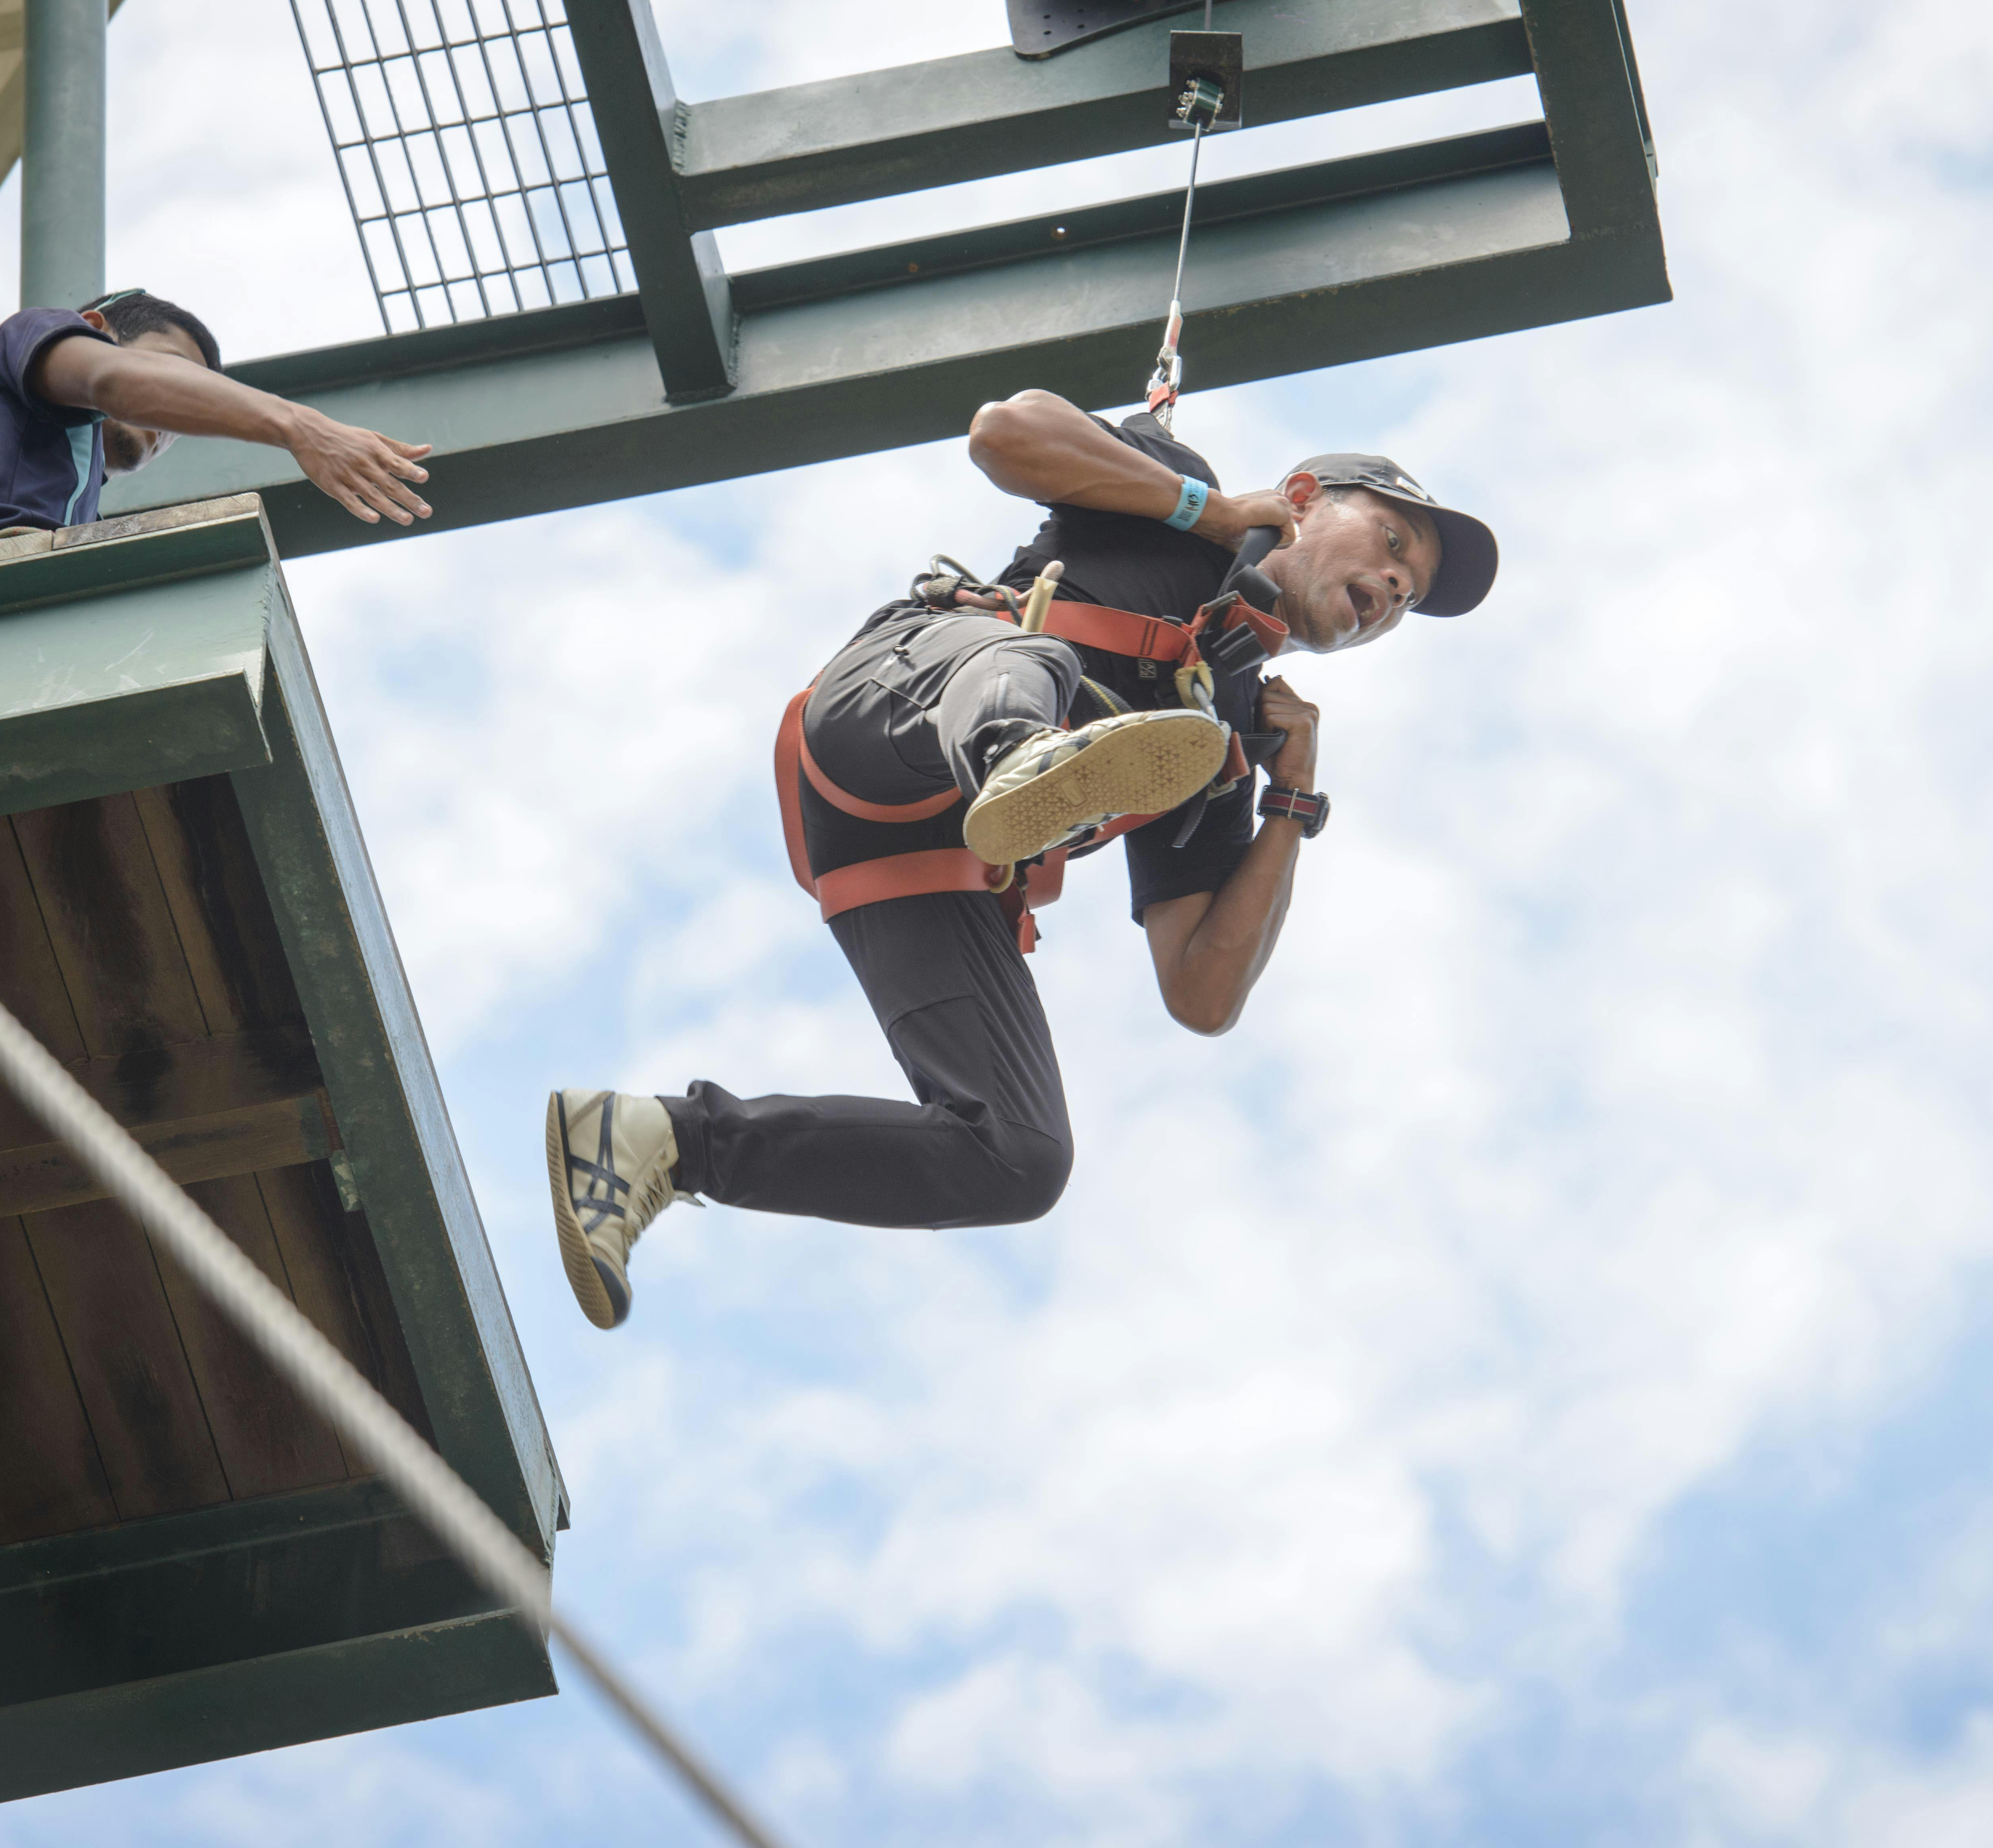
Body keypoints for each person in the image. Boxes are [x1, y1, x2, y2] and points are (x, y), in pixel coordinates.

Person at [543, 391, 1498, 1330]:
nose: (1396, 588)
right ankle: (1018, 749)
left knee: (1016, 1156)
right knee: (1038, 660)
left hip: (908, 861)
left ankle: (656, 1140)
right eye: (1393, 543)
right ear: (1300, 498)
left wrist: (1288, 799)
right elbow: (1003, 432)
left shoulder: (1224, 741)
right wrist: (1205, 512)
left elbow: (1202, 992)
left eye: (1410, 594)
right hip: (896, 700)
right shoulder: (1182, 502)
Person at [0, 288, 434, 554]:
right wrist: (299, 426)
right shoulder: (31, 334)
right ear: (95, 329)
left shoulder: (66, 496)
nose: (172, 420)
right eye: (175, 371)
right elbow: (110, 381)